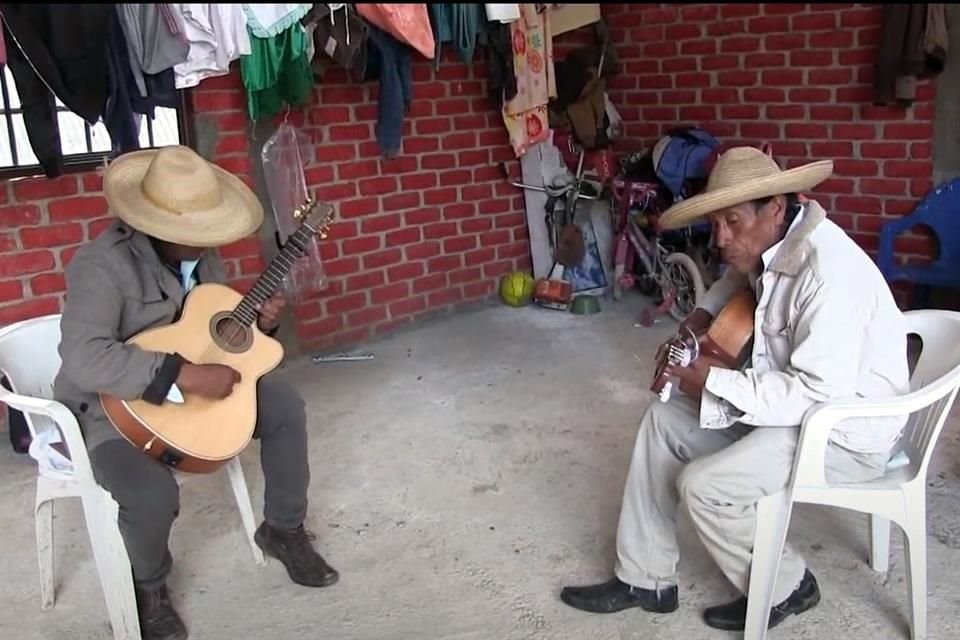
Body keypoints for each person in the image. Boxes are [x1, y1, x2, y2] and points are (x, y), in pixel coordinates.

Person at [559, 146, 910, 632]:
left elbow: (814, 395)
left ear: (775, 209)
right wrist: (699, 320)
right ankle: (645, 578)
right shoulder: (770, 244)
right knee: (664, 421)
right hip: (789, 408)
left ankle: (789, 585)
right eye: (716, 224)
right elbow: (733, 279)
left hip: (840, 431)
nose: (721, 239)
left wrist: (715, 380)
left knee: (705, 487)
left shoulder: (828, 275)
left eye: (733, 222)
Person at [53, 145, 339, 640]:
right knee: (150, 492)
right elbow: (84, 356)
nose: (208, 240)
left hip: (194, 383)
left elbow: (213, 334)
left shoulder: (202, 259)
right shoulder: (101, 265)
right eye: (196, 230)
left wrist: (261, 327)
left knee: (285, 407)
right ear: (155, 224)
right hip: (113, 407)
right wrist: (182, 375)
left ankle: (283, 529)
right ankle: (148, 586)